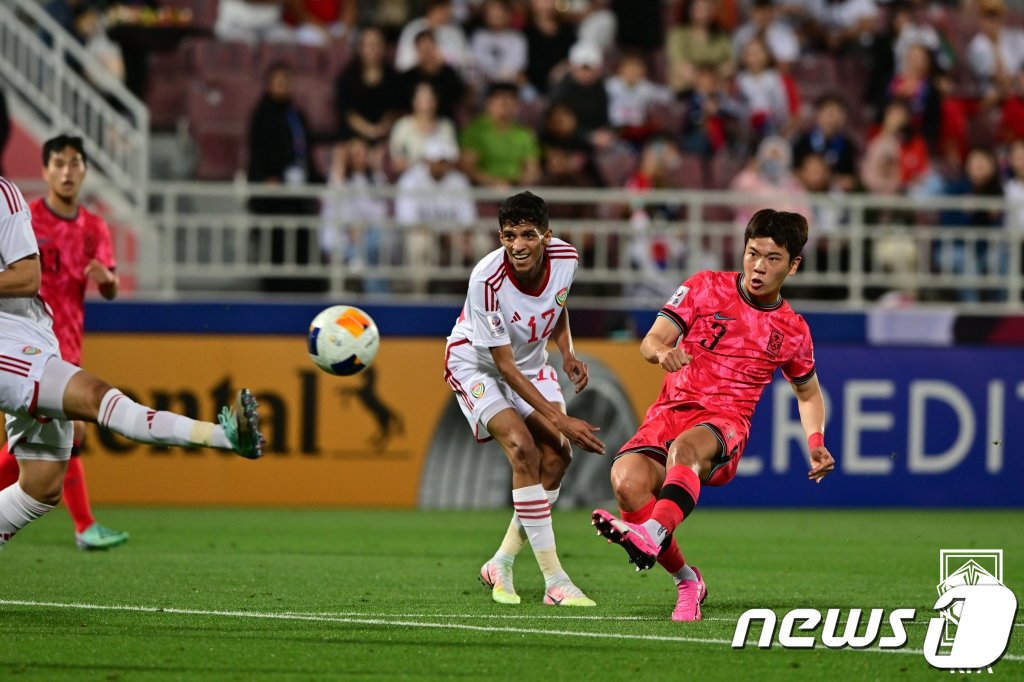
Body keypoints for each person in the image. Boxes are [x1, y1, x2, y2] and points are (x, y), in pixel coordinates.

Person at [590, 208, 835, 621]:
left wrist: (816, 443)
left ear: (793, 265)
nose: (758, 267)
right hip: (669, 412)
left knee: (684, 450)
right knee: (627, 483)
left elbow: (808, 393)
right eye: (752, 253)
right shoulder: (704, 287)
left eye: (772, 258)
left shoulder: (793, 330)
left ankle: (650, 533)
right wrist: (664, 352)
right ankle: (688, 581)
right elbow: (650, 342)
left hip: (724, 425)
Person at [0, 175, 264, 551]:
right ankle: (222, 436)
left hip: (36, 337)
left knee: (42, 486)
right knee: (96, 398)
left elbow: (26, 274)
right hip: (5, 344)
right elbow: (29, 276)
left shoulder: (5, 195)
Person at [443, 191, 604, 607]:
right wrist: (563, 418)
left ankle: (501, 561)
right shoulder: (486, 279)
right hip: (477, 364)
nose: (518, 245)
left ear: (547, 236)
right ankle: (556, 581)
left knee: (559, 458)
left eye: (528, 235)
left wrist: (567, 351)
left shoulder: (566, 258)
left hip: (531, 364)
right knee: (522, 447)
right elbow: (505, 368)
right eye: (509, 235)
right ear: (500, 236)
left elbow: (559, 304)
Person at [0, 135, 124, 550]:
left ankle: (84, 525)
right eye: (59, 163)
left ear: (85, 170)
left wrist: (108, 282)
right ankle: (85, 525)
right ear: (45, 171)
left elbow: (110, 283)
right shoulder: (26, 216)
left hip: (68, 339)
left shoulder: (94, 227)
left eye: (75, 163)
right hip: (27, 342)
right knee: (58, 441)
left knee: (49, 444)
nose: (67, 171)